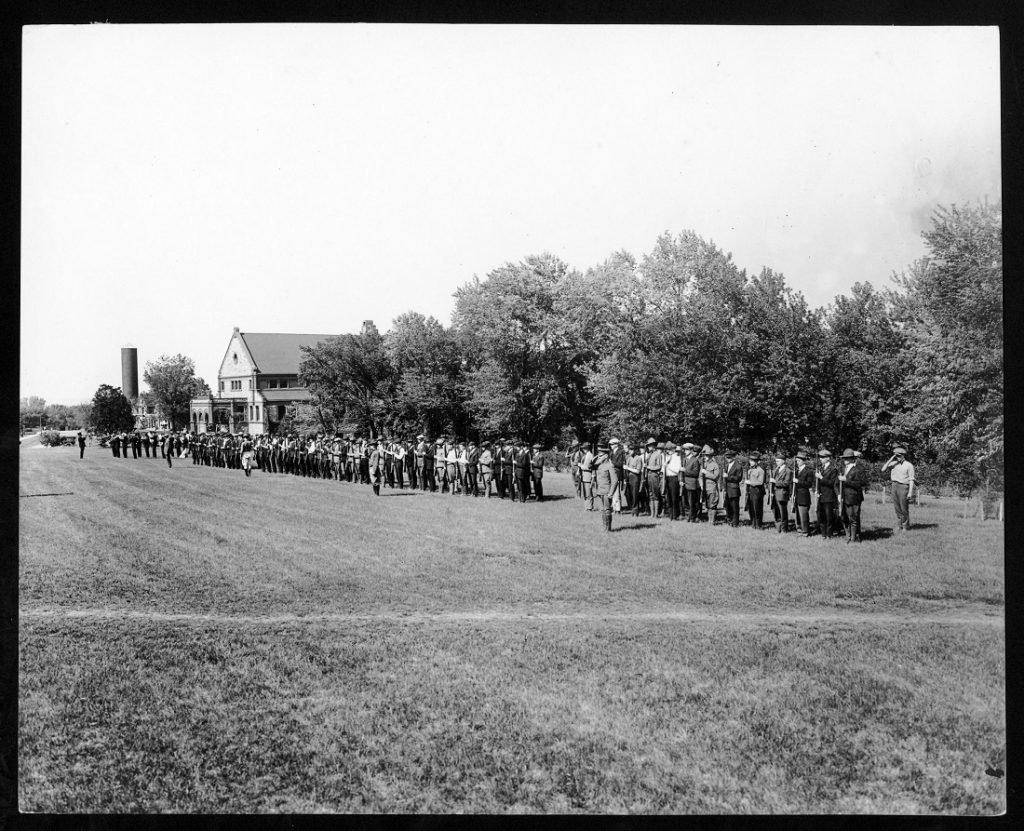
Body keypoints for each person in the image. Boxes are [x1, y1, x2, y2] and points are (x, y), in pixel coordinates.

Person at [881, 445, 916, 532]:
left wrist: (910, 492)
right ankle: (899, 525)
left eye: (899, 456)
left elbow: (911, 479)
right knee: (897, 507)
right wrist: (891, 459)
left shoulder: (909, 465)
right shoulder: (893, 464)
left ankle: (905, 526)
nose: (898, 457)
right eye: (896, 456)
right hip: (894, 486)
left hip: (904, 486)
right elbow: (883, 469)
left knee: (904, 507)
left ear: (903, 455)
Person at [838, 447, 869, 542]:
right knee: (845, 517)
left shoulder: (858, 470)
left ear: (852, 459)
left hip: (854, 497)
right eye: (844, 458)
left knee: (853, 518)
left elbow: (862, 483)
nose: (845, 460)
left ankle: (854, 538)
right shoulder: (843, 469)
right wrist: (839, 494)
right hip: (844, 497)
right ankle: (850, 536)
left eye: (847, 458)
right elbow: (838, 484)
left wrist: (846, 480)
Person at [593, 443, 619, 532]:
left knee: (607, 510)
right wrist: (597, 457)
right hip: (600, 491)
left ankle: (608, 528)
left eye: (601, 455)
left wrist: (611, 493)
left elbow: (615, 480)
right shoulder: (599, 466)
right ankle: (604, 527)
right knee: (602, 510)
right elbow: (590, 465)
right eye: (599, 454)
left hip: (607, 492)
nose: (599, 457)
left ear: (606, 455)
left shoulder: (610, 466)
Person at [815, 449, 839, 538]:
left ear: (828, 458)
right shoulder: (820, 468)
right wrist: (816, 490)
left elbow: (832, 483)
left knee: (829, 516)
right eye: (820, 457)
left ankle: (829, 534)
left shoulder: (833, 469)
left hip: (829, 496)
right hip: (821, 496)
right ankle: (823, 533)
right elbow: (817, 482)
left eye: (822, 457)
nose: (820, 459)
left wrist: (821, 477)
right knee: (821, 516)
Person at [769, 449, 793, 533]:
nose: (776, 462)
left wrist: (775, 482)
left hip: (782, 494)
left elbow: (786, 483)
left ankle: (784, 529)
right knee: (776, 512)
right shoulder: (776, 470)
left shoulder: (788, 471)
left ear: (783, 461)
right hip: (775, 494)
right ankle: (778, 528)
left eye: (778, 461)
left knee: (783, 513)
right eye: (776, 461)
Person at [792, 450, 815, 536]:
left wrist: (798, 481)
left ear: (803, 461)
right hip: (797, 496)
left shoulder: (808, 471)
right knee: (798, 515)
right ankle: (799, 529)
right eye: (796, 461)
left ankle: (805, 531)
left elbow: (809, 484)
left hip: (804, 496)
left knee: (803, 515)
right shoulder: (796, 471)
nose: (797, 463)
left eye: (799, 461)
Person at [744, 451, 766, 529]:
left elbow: (760, 482)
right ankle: (753, 524)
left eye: (752, 461)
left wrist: (750, 482)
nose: (751, 462)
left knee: (757, 508)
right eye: (750, 460)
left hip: (757, 491)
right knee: (751, 508)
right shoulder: (750, 470)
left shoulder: (760, 470)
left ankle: (759, 524)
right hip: (750, 491)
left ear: (757, 462)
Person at [681, 443, 702, 522]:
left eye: (687, 450)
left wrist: (685, 471)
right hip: (685, 483)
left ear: (690, 451)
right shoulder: (685, 459)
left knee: (692, 502)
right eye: (685, 450)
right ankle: (690, 516)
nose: (685, 451)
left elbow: (695, 473)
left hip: (692, 483)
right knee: (686, 501)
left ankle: (692, 517)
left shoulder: (695, 460)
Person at [700, 445, 720, 524]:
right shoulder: (703, 464)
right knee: (707, 505)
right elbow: (700, 476)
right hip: (704, 487)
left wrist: (706, 473)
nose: (705, 457)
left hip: (712, 487)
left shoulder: (715, 465)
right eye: (705, 455)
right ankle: (709, 520)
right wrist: (701, 484)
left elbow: (716, 476)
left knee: (712, 504)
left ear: (711, 456)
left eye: (707, 455)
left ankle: (712, 521)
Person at [644, 438, 663, 519]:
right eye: (648, 446)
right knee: (650, 494)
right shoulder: (649, 454)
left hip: (654, 475)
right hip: (649, 475)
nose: (648, 447)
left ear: (653, 446)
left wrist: (649, 467)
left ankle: (656, 514)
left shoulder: (657, 454)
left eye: (649, 445)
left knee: (655, 494)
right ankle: (652, 514)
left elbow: (659, 466)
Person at [723, 449, 743, 527]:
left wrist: (728, 476)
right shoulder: (726, 465)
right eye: (727, 457)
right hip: (727, 489)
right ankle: (729, 520)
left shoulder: (738, 466)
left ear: (733, 457)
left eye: (729, 457)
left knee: (735, 507)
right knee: (728, 507)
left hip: (734, 489)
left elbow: (739, 478)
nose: (728, 459)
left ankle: (735, 523)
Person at [625, 443, 645, 517]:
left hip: (635, 478)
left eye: (632, 450)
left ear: (635, 450)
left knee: (635, 495)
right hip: (629, 478)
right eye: (629, 449)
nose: (630, 451)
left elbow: (638, 471)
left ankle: (636, 511)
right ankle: (632, 510)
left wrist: (628, 468)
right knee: (629, 495)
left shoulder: (638, 458)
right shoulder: (628, 458)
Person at [663, 442, 682, 520]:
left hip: (674, 478)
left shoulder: (677, 458)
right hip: (667, 478)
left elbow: (677, 470)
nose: (668, 451)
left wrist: (668, 466)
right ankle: (671, 514)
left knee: (674, 497)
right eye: (668, 449)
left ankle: (675, 514)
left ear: (673, 450)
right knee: (669, 497)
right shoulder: (667, 457)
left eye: (670, 449)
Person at [609, 438, 625, 512]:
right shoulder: (611, 452)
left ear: (616, 444)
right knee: (613, 492)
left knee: (617, 493)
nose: (611, 445)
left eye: (612, 444)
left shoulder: (621, 452)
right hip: (611, 474)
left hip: (618, 474)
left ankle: (618, 509)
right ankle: (614, 507)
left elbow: (620, 464)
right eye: (610, 444)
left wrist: (612, 464)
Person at [579, 442, 596, 510]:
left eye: (584, 448)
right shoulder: (585, 456)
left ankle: (590, 507)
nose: (583, 449)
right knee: (585, 493)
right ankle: (586, 506)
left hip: (588, 476)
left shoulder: (590, 456)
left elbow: (590, 467)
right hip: (584, 476)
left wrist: (582, 466)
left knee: (589, 493)